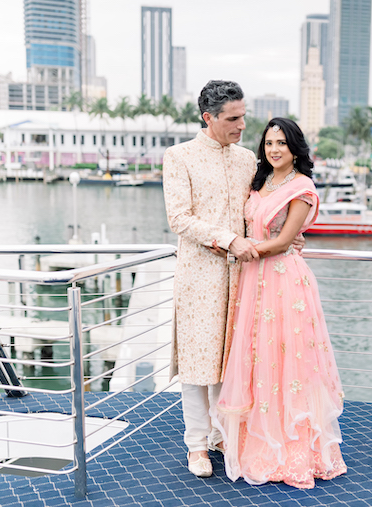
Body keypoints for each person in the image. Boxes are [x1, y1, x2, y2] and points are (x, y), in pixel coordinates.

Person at [213, 118, 347, 489]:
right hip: (253, 279)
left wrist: (237, 249)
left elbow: (285, 241)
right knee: (258, 360)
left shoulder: (302, 187)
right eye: (269, 143)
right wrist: (233, 243)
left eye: (282, 144)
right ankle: (255, 440)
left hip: (283, 280)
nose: (274, 150)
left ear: (295, 148)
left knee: (288, 363)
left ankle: (292, 451)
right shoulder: (261, 181)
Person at [163, 80, 260, 478]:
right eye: (233, 118)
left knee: (229, 359)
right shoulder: (179, 156)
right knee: (197, 364)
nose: (241, 125)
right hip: (199, 275)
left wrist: (289, 237)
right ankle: (197, 446)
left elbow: (258, 209)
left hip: (242, 275)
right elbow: (179, 218)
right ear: (209, 118)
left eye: (243, 116)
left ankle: (224, 434)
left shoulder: (247, 159)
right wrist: (227, 240)